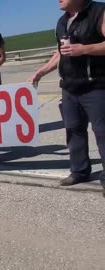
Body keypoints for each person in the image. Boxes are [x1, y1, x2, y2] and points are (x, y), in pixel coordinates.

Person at [28, 0, 105, 194]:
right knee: (73, 129)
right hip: (70, 87)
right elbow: (60, 53)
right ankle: (79, 171)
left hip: (95, 85)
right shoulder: (62, 21)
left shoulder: (98, 11)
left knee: (102, 132)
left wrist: (85, 49)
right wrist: (40, 72)